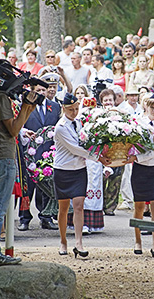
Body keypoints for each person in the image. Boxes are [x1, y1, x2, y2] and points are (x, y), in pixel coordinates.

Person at [0, 60, 38, 266]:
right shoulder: (1, 98)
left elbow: (16, 125)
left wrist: (28, 107)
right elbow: (13, 130)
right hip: (3, 157)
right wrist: (26, 107)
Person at [53, 93, 110, 257]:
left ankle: (79, 242)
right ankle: (63, 241)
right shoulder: (60, 127)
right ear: (63, 109)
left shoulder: (79, 124)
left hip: (79, 170)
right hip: (63, 170)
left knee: (79, 206)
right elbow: (76, 148)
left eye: (76, 109)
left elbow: (88, 142)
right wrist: (98, 157)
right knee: (63, 209)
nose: (74, 112)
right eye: (70, 109)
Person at [123, 92, 154, 257]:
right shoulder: (138, 122)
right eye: (152, 107)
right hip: (140, 169)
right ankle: (138, 240)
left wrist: (137, 156)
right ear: (146, 107)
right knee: (139, 206)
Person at [18, 77, 61, 232]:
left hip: (48, 155)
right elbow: (20, 127)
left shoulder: (55, 107)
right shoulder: (26, 106)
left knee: (47, 186)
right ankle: (24, 218)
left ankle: (46, 217)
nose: (42, 93)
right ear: (32, 91)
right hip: (29, 154)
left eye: (44, 90)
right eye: (39, 90)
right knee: (27, 189)